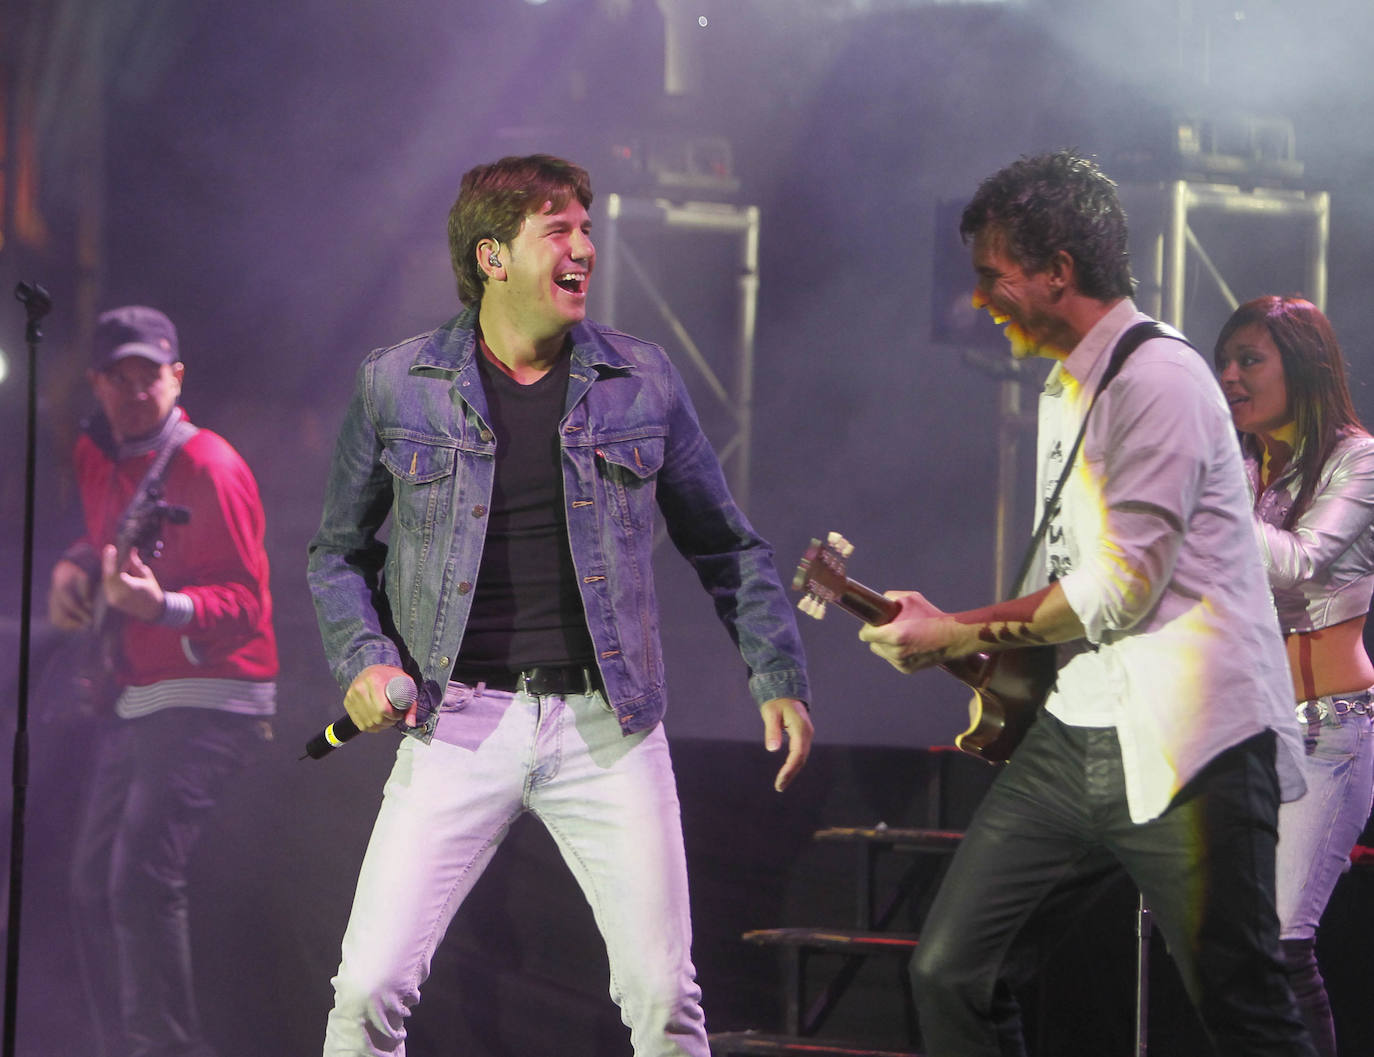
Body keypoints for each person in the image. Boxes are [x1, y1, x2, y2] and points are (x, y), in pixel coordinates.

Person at [306, 153, 813, 1057]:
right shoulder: (397, 383)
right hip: (454, 718)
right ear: (494, 256)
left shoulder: (640, 380)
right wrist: (365, 658)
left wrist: (775, 671)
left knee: (664, 998)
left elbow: (728, 543)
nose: (585, 246)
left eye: (585, 227)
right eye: (559, 229)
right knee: (369, 987)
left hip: (606, 724)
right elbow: (338, 553)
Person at [858, 151, 1315, 1056]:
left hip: (1192, 745)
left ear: (1058, 271)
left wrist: (956, 627)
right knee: (953, 970)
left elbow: (1118, 588)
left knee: (1243, 1010)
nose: (981, 299)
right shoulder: (1070, 386)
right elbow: (1077, 571)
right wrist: (965, 632)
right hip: (1077, 737)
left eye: (995, 276)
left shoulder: (1160, 380)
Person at [49, 305, 278, 1057]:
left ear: (177, 378)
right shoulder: (99, 456)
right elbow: (103, 536)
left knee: (141, 879)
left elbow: (247, 605)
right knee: (89, 884)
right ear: (98, 383)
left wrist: (164, 606)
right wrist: (76, 566)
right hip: (137, 690)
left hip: (211, 690)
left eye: (150, 374)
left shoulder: (210, 464)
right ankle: (115, 1042)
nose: (135, 389)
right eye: (120, 376)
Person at [1215, 295, 1374, 1057]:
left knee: (1282, 943)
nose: (1230, 376)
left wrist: (1208, 503)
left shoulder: (1358, 458)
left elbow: (1303, 558)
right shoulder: (1243, 464)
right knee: (1237, 948)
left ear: (1302, 365)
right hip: (1249, 727)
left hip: (1330, 729)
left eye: (1250, 359)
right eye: (1226, 360)